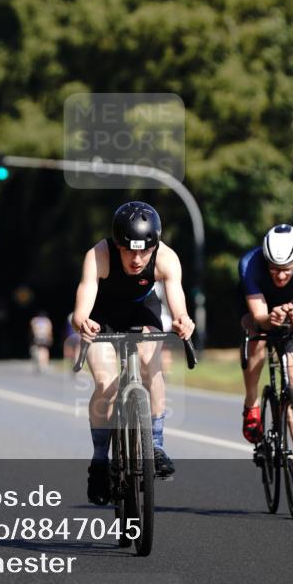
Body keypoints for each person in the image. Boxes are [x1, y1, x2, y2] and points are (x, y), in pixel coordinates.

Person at [72, 201, 195, 505]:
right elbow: (85, 295)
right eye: (129, 251)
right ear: (117, 244)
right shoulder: (98, 255)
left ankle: (155, 444)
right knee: (106, 384)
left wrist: (182, 319)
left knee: (150, 366)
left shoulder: (166, 257)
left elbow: (175, 295)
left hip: (143, 311)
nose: (137, 259)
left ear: (154, 246)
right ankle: (100, 461)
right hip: (103, 314)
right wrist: (81, 321)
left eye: (144, 251)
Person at [238, 224, 293, 490]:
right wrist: (269, 318)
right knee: (257, 344)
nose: (280, 275)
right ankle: (251, 404)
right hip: (259, 313)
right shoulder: (250, 264)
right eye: (274, 268)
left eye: (286, 269)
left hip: (291, 319)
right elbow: (259, 316)